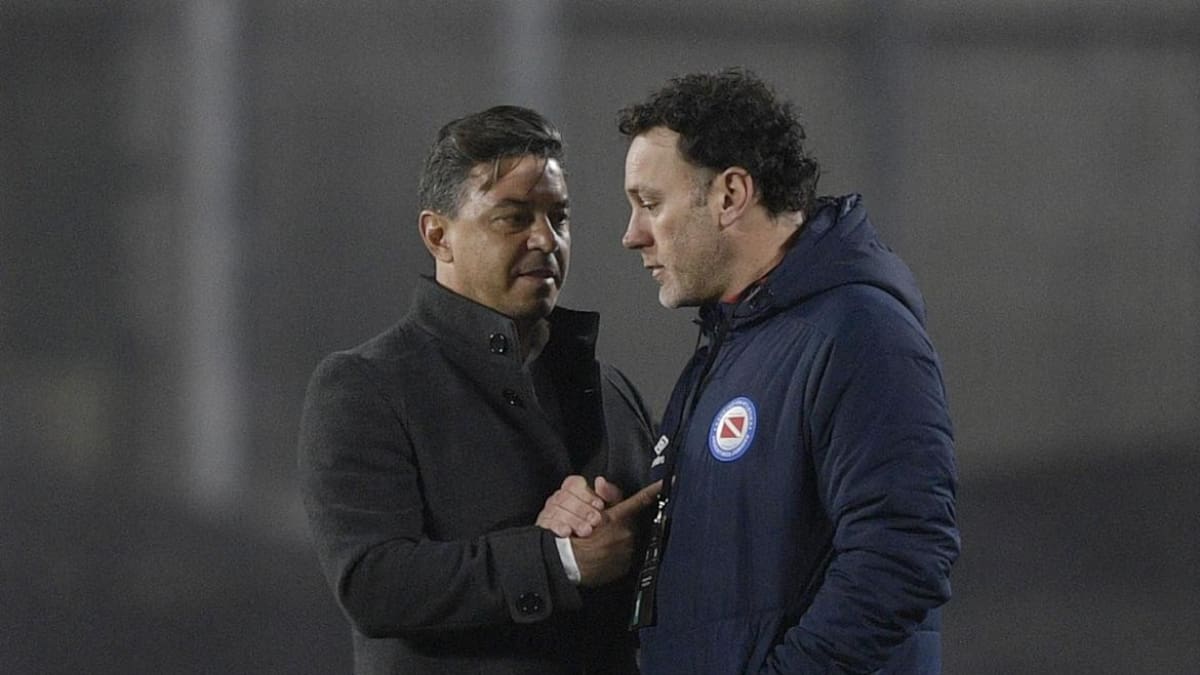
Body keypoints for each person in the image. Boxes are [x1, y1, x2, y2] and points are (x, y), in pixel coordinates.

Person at [608, 68, 960, 673]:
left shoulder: (859, 331)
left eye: (650, 203)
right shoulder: (731, 343)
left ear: (730, 195)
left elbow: (902, 556)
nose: (632, 235)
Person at [297, 105, 660, 674]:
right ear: (437, 234)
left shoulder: (611, 388)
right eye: (513, 218)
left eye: (558, 217)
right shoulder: (367, 386)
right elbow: (374, 583)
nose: (545, 239)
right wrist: (558, 559)